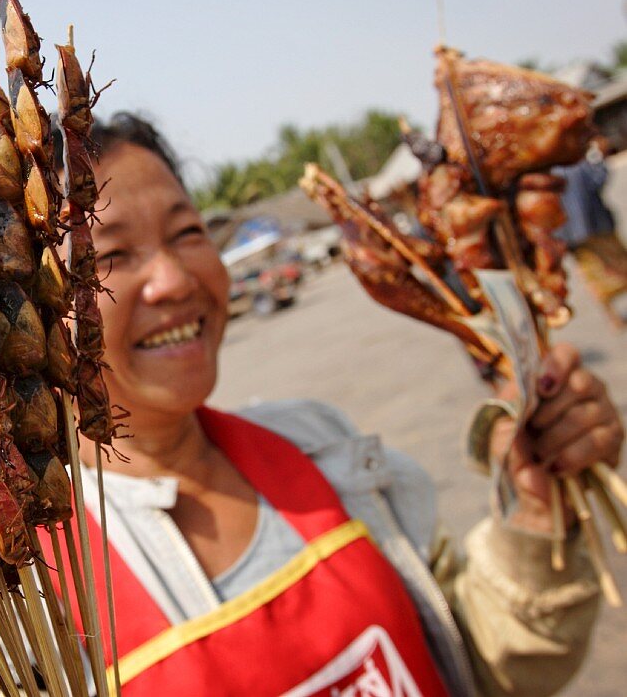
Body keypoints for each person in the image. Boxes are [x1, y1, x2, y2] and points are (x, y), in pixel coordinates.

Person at [48, 113, 624, 696]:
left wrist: (532, 511)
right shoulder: (34, 604)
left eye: (186, 233)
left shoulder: (320, 445)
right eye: (106, 255)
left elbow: (479, 663)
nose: (172, 280)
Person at [553, 139, 627, 328]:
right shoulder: (575, 163)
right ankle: (613, 317)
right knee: (616, 267)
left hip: (575, 234)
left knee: (594, 275)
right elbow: (598, 178)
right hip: (596, 226)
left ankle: (613, 318)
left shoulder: (549, 174)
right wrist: (599, 158)